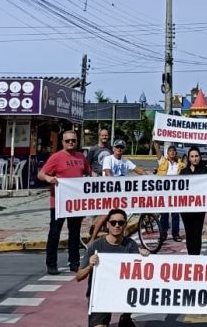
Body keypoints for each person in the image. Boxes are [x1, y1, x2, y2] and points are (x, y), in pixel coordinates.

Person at [76, 208, 149, 327]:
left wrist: (144, 257)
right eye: (113, 222)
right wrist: (90, 266)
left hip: (122, 294)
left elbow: (142, 275)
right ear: (107, 225)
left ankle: (125, 317)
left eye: (121, 223)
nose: (117, 225)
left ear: (125, 225)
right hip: (100, 296)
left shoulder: (130, 244)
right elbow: (79, 276)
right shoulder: (96, 245)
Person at [38, 130, 92, 275]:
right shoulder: (56, 157)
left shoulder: (81, 157)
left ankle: (74, 263)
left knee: (74, 234)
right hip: (58, 203)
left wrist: (101, 179)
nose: (71, 143)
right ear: (62, 142)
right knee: (54, 234)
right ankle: (51, 263)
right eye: (68, 141)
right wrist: (48, 178)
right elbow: (41, 174)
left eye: (73, 140)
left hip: (75, 204)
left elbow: (89, 172)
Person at [92, 140, 146, 242]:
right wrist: (114, 182)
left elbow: (138, 170)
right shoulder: (108, 159)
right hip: (109, 191)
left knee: (123, 215)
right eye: (117, 147)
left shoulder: (126, 161)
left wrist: (148, 177)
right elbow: (107, 171)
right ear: (113, 148)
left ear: (124, 149)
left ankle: (119, 238)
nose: (119, 149)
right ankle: (92, 239)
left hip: (122, 193)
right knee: (105, 214)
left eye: (121, 147)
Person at [179, 146, 207, 255]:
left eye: (196, 156)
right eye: (192, 156)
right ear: (188, 158)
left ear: (200, 157)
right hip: (186, 210)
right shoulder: (183, 172)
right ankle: (190, 256)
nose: (194, 158)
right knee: (189, 234)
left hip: (199, 210)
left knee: (197, 234)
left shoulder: (206, 171)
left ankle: (196, 257)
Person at [153, 141, 186, 243]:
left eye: (173, 151)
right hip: (164, 192)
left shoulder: (181, 164)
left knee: (175, 215)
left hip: (176, 193)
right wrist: (155, 139)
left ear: (176, 153)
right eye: (170, 151)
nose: (172, 152)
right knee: (164, 215)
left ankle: (175, 234)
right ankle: (163, 234)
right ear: (167, 153)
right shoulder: (162, 161)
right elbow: (157, 149)